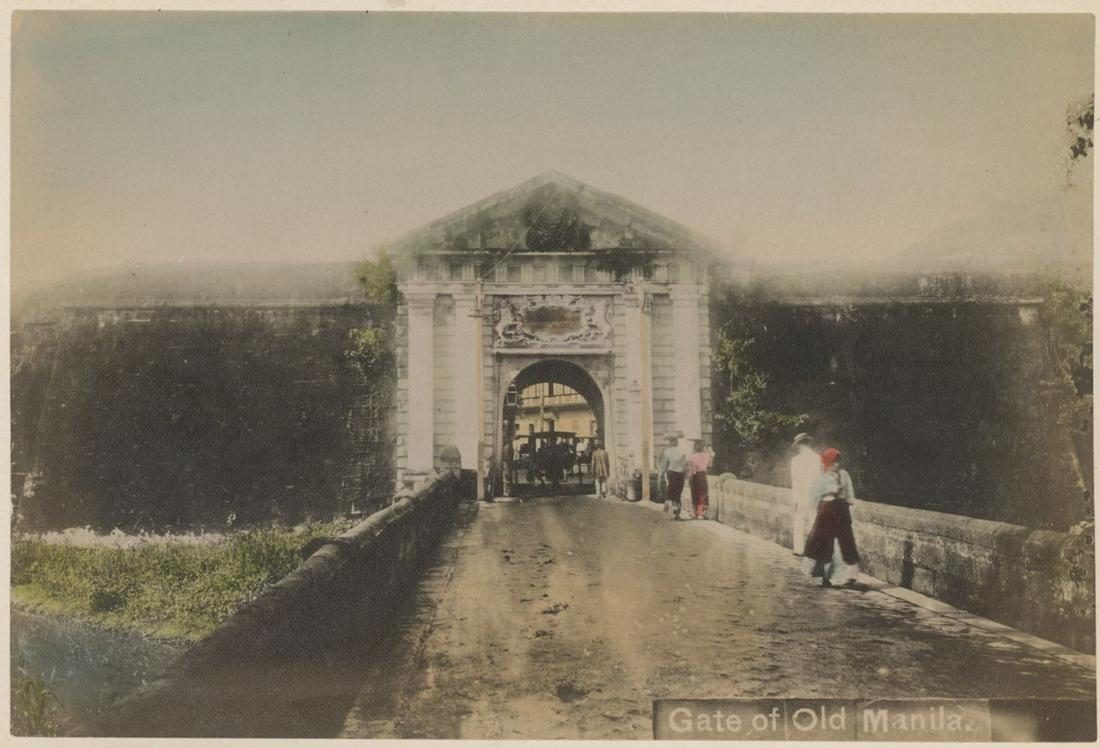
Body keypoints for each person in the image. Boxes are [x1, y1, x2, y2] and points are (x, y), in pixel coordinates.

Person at [804, 448, 861, 588]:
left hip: (841, 510)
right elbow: (813, 497)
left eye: (837, 462)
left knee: (847, 542)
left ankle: (851, 577)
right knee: (825, 544)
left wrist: (845, 504)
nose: (836, 465)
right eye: (832, 462)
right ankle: (825, 576)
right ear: (827, 464)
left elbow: (849, 496)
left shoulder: (844, 475)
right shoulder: (822, 477)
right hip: (826, 511)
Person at [789, 433, 820, 555]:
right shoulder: (817, 458)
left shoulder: (796, 461)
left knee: (799, 522)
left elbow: (795, 481)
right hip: (813, 495)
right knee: (814, 522)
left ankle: (799, 549)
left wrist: (795, 499)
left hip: (801, 496)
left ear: (800, 445)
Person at [657, 434, 687, 520]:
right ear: (677, 442)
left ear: (670, 442)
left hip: (671, 474)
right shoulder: (682, 451)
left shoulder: (667, 452)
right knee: (677, 493)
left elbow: (664, 464)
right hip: (680, 474)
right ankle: (676, 512)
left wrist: (661, 473)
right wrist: (683, 472)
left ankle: (671, 511)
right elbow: (685, 464)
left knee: (671, 492)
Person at [686, 439, 712, 519]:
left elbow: (691, 468)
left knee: (695, 493)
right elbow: (710, 465)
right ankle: (702, 511)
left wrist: (690, 478)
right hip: (703, 474)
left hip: (695, 474)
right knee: (703, 493)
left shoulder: (691, 456)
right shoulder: (707, 455)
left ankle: (696, 512)